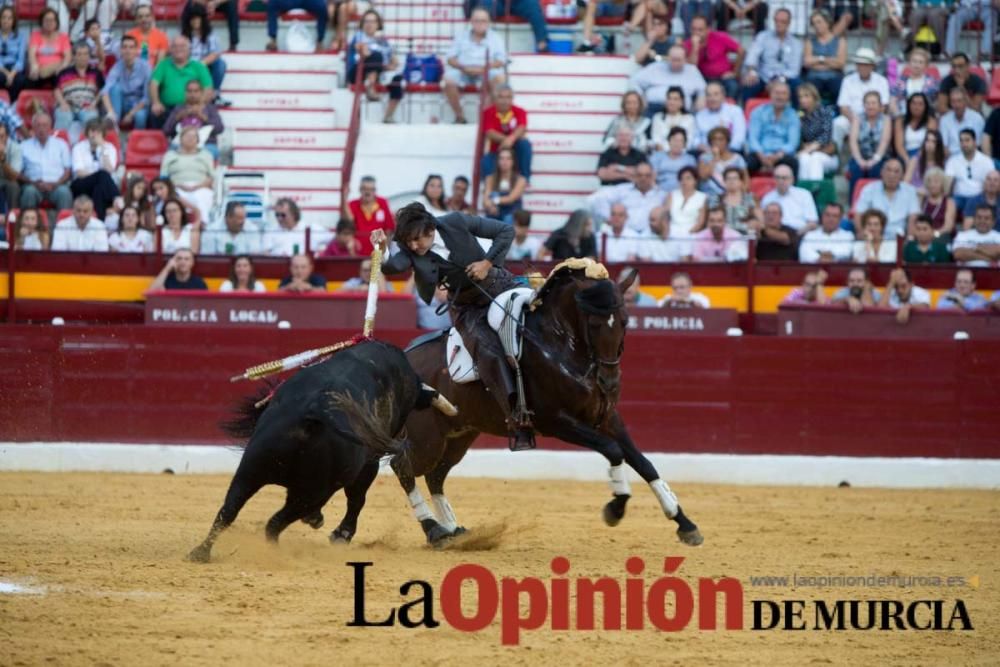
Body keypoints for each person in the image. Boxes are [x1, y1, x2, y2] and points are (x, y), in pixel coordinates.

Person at [372, 202, 536, 449]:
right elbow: (391, 267)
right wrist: (384, 249)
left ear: (430, 228)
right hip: (467, 308)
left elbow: (505, 231)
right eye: (409, 242)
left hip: (501, 284)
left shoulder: (456, 221)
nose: (415, 247)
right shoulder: (410, 250)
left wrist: (487, 263)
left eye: (417, 239)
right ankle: (517, 419)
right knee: (487, 351)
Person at [442, 8, 506, 125]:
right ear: (471, 21)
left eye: (483, 21)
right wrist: (463, 67)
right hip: (463, 70)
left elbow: (501, 60)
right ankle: (460, 117)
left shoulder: (495, 38)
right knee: (447, 79)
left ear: (488, 22)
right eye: (477, 20)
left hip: (486, 70)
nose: (480, 24)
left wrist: (484, 68)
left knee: (499, 78)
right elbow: (450, 58)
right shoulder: (461, 36)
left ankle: (485, 118)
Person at [345, 9, 402, 123]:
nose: (369, 24)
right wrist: (381, 62)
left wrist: (389, 65)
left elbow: (395, 61)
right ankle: (370, 88)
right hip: (357, 71)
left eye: (372, 21)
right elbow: (363, 52)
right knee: (376, 56)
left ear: (378, 24)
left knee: (397, 79)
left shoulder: (384, 41)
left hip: (378, 70)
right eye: (366, 21)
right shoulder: (359, 36)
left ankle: (388, 116)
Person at [149, 36, 213, 130]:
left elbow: (208, 89)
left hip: (193, 106)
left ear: (189, 49)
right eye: (175, 46)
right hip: (168, 108)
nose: (178, 49)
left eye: (182, 46)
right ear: (170, 49)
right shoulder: (163, 64)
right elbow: (153, 84)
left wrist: (199, 106)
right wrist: (156, 102)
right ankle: (161, 143)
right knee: (155, 113)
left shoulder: (199, 66)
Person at [739, 8, 802, 102]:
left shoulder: (796, 43)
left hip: (784, 77)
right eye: (776, 20)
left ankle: (796, 114)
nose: (779, 24)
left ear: (789, 23)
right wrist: (752, 71)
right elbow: (752, 56)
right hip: (763, 76)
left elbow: (794, 70)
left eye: (783, 21)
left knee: (797, 84)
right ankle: (747, 114)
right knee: (749, 83)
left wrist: (779, 80)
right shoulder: (763, 36)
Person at [832, 48, 889, 150]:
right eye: (860, 64)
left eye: (866, 64)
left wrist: (869, 120)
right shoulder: (848, 80)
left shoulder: (882, 81)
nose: (862, 67)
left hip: (874, 119)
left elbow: (883, 106)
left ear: (872, 66)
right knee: (838, 124)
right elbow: (843, 107)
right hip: (852, 118)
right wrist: (856, 121)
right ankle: (837, 156)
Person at [589, 162, 667, 236]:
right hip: (626, 235)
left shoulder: (661, 194)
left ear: (652, 177)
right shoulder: (623, 190)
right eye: (640, 175)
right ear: (634, 176)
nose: (643, 179)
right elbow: (599, 199)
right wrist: (609, 218)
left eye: (647, 175)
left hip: (650, 236)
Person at [19, 111, 72, 213]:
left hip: (57, 185)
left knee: (64, 192)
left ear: (50, 127)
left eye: (45, 125)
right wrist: (32, 182)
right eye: (38, 125)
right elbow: (18, 173)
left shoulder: (61, 145)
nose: (41, 129)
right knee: (29, 192)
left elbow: (67, 171)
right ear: (33, 128)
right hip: (33, 185)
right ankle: (27, 227)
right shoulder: (23, 146)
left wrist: (55, 184)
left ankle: (63, 227)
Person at [629, 44, 706, 115]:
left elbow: (703, 90)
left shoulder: (692, 71)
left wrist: (701, 98)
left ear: (685, 59)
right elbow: (634, 81)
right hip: (654, 108)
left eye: (678, 60)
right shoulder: (655, 67)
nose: (675, 63)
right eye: (673, 59)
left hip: (682, 111)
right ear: (668, 57)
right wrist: (641, 97)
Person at [160, 126, 215, 223]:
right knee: (174, 199)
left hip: (201, 187)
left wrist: (197, 186)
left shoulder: (206, 155)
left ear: (198, 140)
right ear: (180, 139)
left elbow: (212, 177)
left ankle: (202, 225)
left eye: (194, 137)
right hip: (175, 188)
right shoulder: (170, 155)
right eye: (188, 136)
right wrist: (176, 186)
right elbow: (163, 178)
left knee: (202, 197)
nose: (190, 139)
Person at [854, 158, 920, 238]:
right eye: (888, 170)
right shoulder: (869, 189)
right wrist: (862, 233)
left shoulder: (910, 191)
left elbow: (913, 217)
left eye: (896, 171)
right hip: (873, 237)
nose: (892, 175)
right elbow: (858, 214)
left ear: (902, 175)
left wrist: (910, 239)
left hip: (899, 237)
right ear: (882, 172)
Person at [746, 80, 800, 174]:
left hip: (782, 155)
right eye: (777, 93)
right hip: (760, 153)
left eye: (784, 93)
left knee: (793, 163)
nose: (780, 97)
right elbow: (753, 138)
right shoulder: (758, 112)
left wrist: (777, 156)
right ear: (770, 94)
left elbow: (792, 142)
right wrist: (761, 156)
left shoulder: (793, 115)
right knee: (747, 164)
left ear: (788, 97)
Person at [683, 15, 743, 100]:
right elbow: (691, 67)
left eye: (700, 30)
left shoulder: (720, 37)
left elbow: (741, 51)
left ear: (708, 29)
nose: (696, 33)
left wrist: (735, 72)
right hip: (701, 78)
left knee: (733, 87)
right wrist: (695, 48)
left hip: (722, 77)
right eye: (693, 29)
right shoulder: (688, 44)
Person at [161, 79, 224, 159]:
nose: (192, 94)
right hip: (181, 145)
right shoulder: (179, 108)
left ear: (201, 93)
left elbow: (220, 129)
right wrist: (178, 117)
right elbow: (166, 130)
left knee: (208, 152)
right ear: (185, 93)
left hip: (206, 145)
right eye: (189, 91)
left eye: (196, 91)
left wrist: (203, 117)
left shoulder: (210, 108)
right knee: (169, 155)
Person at [70, 118, 118, 221]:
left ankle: (100, 222)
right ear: (87, 132)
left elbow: (109, 170)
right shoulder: (78, 148)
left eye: (98, 132)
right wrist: (97, 176)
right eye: (92, 131)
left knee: (99, 190)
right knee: (102, 175)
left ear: (103, 134)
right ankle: (116, 198)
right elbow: (79, 173)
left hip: (101, 187)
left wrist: (103, 149)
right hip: (81, 184)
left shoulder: (110, 148)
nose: (94, 135)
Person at [846, 91, 892, 199]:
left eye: (873, 103)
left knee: (875, 170)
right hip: (860, 156)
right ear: (863, 105)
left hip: (881, 157)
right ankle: (854, 205)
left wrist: (874, 160)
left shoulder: (886, 119)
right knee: (856, 171)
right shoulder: (857, 118)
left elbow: (885, 141)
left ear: (880, 106)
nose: (870, 106)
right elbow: (853, 141)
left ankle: (876, 203)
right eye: (867, 103)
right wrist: (860, 160)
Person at [480, 85, 531, 182]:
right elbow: (489, 132)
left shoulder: (520, 111)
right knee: (485, 161)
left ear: (512, 99)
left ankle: (524, 179)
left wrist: (510, 140)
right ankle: (490, 189)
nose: (505, 101)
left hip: (515, 152)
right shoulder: (488, 112)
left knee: (525, 144)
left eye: (508, 97)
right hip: (496, 151)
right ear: (495, 98)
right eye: (501, 97)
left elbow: (521, 128)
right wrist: (506, 140)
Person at [53, 41, 103, 135]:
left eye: (85, 54)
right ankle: (57, 143)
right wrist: (63, 103)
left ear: (89, 56)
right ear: (74, 56)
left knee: (92, 119)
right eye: (79, 54)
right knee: (63, 117)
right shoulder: (64, 72)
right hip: (68, 105)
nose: (83, 57)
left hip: (87, 107)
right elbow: (56, 90)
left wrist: (94, 104)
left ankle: (91, 147)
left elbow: (101, 92)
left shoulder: (96, 73)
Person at [103, 34, 151, 130]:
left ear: (136, 50)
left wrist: (131, 114)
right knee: (115, 88)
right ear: (120, 50)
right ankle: (114, 124)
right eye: (124, 47)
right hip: (122, 104)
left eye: (131, 47)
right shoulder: (117, 66)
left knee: (140, 115)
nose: (128, 50)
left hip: (139, 104)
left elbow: (147, 98)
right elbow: (105, 91)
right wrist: (110, 112)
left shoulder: (145, 67)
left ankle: (136, 139)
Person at [802, 10, 846, 106]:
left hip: (834, 77)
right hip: (814, 77)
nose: (817, 26)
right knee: (809, 90)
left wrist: (817, 60)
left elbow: (840, 63)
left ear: (827, 22)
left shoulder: (840, 41)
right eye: (814, 23)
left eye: (819, 22)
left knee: (841, 89)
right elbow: (807, 62)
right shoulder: (810, 41)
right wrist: (828, 60)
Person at [796, 82, 837, 182]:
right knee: (804, 158)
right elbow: (798, 139)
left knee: (815, 157)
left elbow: (825, 137)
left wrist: (809, 149)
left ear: (814, 97)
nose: (803, 100)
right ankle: (805, 192)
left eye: (806, 96)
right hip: (806, 152)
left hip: (827, 155)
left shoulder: (825, 112)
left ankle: (815, 192)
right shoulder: (799, 115)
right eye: (800, 97)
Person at [181, 4, 226, 96]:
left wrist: (201, 64)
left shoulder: (211, 35)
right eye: (192, 19)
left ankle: (214, 94)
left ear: (203, 19)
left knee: (220, 64)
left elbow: (215, 53)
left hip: (205, 66)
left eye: (198, 18)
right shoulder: (184, 36)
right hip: (188, 67)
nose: (195, 21)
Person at [945, 129, 994, 213]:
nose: (964, 144)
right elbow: (947, 184)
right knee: (949, 204)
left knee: (974, 204)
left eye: (967, 140)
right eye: (961, 141)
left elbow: (991, 182)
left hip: (979, 197)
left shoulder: (986, 161)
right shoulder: (952, 161)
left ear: (975, 142)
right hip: (958, 197)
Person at [760, 164, 819, 233]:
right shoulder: (767, 198)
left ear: (792, 179)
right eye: (777, 178)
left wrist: (797, 235)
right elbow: (763, 222)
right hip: (775, 235)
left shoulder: (804, 195)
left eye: (784, 178)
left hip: (800, 233)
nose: (780, 181)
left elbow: (813, 223)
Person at [693, 81, 745, 153]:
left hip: (730, 151)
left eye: (716, 94)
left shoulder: (735, 111)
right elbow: (695, 139)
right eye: (708, 95)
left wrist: (724, 151)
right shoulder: (700, 115)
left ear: (723, 96)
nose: (712, 98)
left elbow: (739, 137)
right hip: (706, 152)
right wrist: (704, 147)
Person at [348, 175, 395, 254]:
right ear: (360, 189)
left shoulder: (383, 203)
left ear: (375, 190)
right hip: (357, 254)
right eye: (365, 189)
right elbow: (346, 226)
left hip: (378, 254)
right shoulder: (352, 204)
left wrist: (384, 252)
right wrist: (344, 197)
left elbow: (389, 230)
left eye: (371, 189)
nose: (368, 192)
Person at [27, 8, 72, 90]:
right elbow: (32, 54)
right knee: (32, 78)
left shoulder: (63, 37)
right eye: (46, 20)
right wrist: (34, 66)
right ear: (42, 22)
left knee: (59, 76)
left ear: (56, 22)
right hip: (40, 69)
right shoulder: (35, 35)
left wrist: (61, 67)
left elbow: (67, 57)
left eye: (52, 20)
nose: (49, 23)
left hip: (57, 70)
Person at [708, 166, 760, 234]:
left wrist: (755, 223)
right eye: (728, 178)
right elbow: (709, 222)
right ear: (724, 181)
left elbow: (760, 221)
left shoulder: (750, 198)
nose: (731, 181)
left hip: (744, 236)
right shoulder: (715, 199)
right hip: (722, 237)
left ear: (741, 182)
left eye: (735, 178)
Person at [698, 127, 747, 196]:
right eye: (714, 139)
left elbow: (745, 182)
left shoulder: (738, 159)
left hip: (731, 196)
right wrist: (714, 159)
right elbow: (703, 176)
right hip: (708, 196)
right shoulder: (704, 157)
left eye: (721, 139)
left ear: (727, 141)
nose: (717, 142)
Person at [660, 166, 706, 239]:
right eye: (682, 179)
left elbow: (700, 222)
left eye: (688, 178)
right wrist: (666, 229)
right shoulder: (672, 195)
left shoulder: (702, 197)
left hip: (691, 234)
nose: (684, 181)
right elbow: (665, 215)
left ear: (695, 180)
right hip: (671, 232)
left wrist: (689, 233)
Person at [483, 147, 526, 225]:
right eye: (501, 158)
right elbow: (486, 199)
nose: (504, 162)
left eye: (508, 159)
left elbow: (511, 199)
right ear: (498, 161)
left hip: (511, 212)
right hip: (495, 211)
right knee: (492, 196)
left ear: (513, 162)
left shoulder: (520, 180)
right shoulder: (490, 178)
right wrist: (490, 206)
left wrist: (493, 201)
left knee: (509, 218)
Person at [890, 49, 939, 116]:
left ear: (926, 65)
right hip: (903, 118)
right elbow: (892, 102)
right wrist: (899, 117)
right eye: (914, 61)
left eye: (920, 62)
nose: (917, 65)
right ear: (909, 63)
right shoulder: (901, 81)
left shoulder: (932, 82)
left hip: (925, 119)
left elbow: (938, 102)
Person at [939, 88, 985, 156]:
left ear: (965, 101)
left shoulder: (977, 118)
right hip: (951, 158)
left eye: (959, 101)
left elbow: (977, 144)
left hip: (971, 156)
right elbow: (944, 146)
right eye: (953, 101)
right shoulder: (944, 120)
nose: (956, 105)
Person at [649, 127, 696, 191]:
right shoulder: (657, 156)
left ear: (684, 144)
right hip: (659, 191)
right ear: (669, 141)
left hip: (682, 192)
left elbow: (692, 181)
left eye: (681, 141)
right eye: (674, 140)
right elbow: (651, 178)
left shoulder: (690, 159)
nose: (677, 143)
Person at [650, 86, 696, 151]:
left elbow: (689, 141)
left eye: (675, 99)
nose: (671, 102)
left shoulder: (689, 119)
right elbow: (656, 139)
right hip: (662, 153)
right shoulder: (658, 117)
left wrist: (675, 151)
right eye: (669, 98)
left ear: (682, 102)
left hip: (682, 154)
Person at [893, 93, 936, 162]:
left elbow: (929, 143)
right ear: (909, 105)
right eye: (914, 103)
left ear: (925, 106)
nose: (916, 107)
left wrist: (916, 160)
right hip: (904, 154)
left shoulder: (930, 121)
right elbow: (899, 146)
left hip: (923, 155)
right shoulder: (900, 121)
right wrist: (907, 159)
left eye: (920, 104)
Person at [904, 128, 945, 195]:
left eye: (933, 142)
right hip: (914, 195)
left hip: (932, 197)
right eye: (927, 140)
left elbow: (943, 188)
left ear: (938, 145)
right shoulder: (915, 160)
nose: (929, 144)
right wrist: (918, 191)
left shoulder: (942, 163)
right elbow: (905, 184)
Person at [919, 168, 956, 238]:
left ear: (942, 184)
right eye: (930, 181)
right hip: (922, 236)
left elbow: (948, 226)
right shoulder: (922, 199)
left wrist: (934, 234)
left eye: (936, 182)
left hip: (940, 236)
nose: (932, 185)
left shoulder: (949, 202)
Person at [0, 7, 26, 101]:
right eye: (3, 17)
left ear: (14, 21)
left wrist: (11, 74)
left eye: (9, 18)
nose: (6, 21)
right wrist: (6, 74)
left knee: (20, 80)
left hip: (14, 68)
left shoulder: (21, 36)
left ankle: (12, 104)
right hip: (1, 68)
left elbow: (21, 59)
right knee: (1, 78)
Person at [0, 122, 22, 210]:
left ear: (7, 136)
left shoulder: (15, 148)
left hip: (6, 181)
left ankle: (13, 216)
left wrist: (2, 160)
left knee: (13, 186)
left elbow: (14, 177)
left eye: (1, 136)